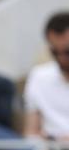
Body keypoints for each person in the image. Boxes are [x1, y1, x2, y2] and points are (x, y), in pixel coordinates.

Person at [24, 12, 69, 143]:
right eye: (55, 52)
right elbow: (31, 132)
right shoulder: (38, 77)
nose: (61, 58)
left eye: (67, 52)